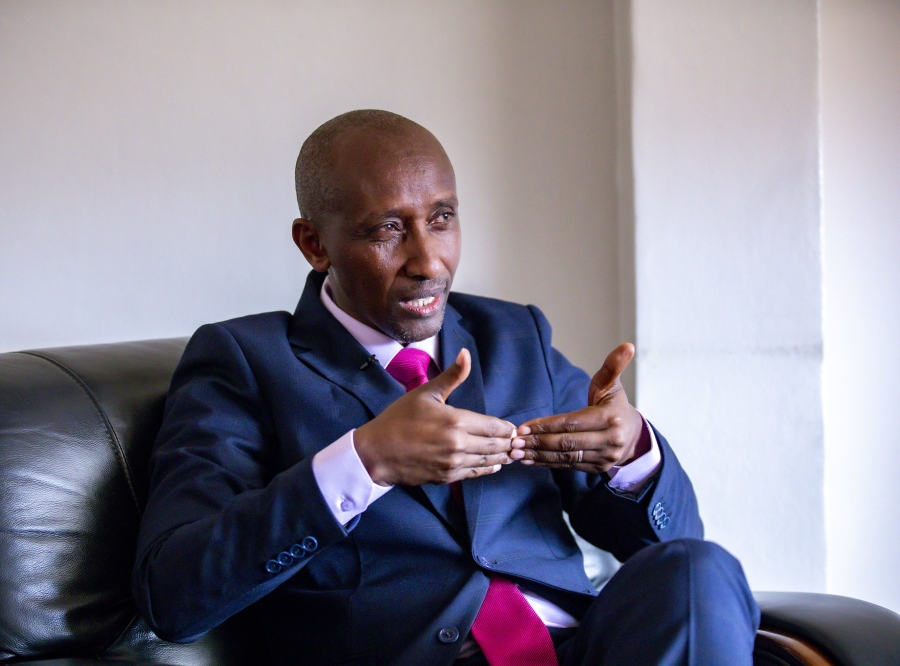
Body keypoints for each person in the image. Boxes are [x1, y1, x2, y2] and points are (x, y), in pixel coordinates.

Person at [132, 110, 760, 665]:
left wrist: (631, 456)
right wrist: (366, 460)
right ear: (315, 244)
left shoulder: (517, 336)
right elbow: (175, 594)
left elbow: (671, 542)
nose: (429, 260)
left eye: (442, 218)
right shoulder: (245, 361)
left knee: (697, 572)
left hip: (575, 648)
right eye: (387, 230)